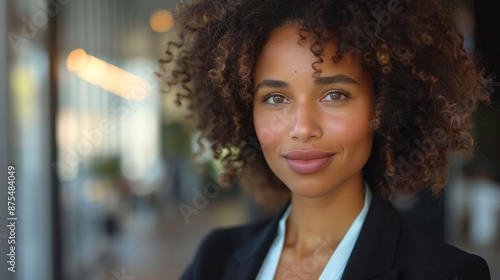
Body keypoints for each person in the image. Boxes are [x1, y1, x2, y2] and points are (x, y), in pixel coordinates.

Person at [158, 0, 492, 279]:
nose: (303, 128)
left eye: (334, 94)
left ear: (385, 106)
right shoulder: (215, 259)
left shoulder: (450, 273)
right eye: (276, 98)